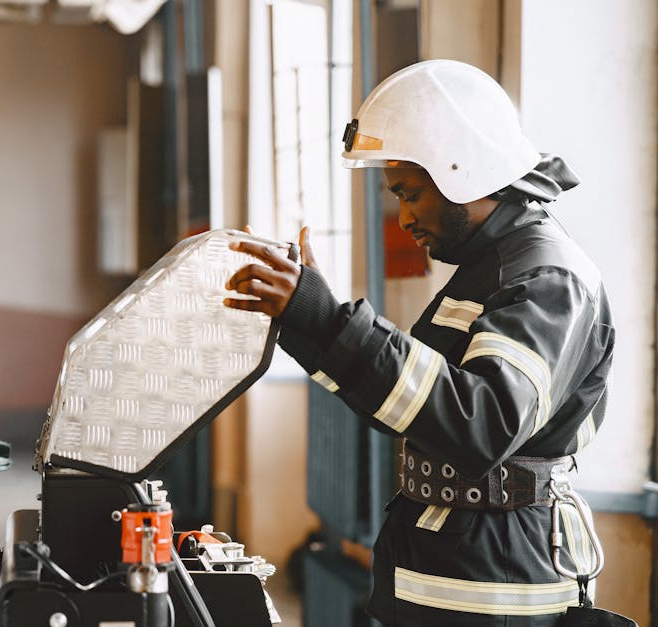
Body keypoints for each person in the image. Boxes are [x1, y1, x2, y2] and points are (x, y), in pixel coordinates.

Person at [224, 59, 616, 626]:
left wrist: (331, 321)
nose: (404, 217)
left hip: (496, 590)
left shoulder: (546, 279)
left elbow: (482, 424)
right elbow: (416, 409)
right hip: (456, 572)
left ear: (463, 169)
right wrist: (309, 323)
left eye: (410, 193)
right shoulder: (491, 269)